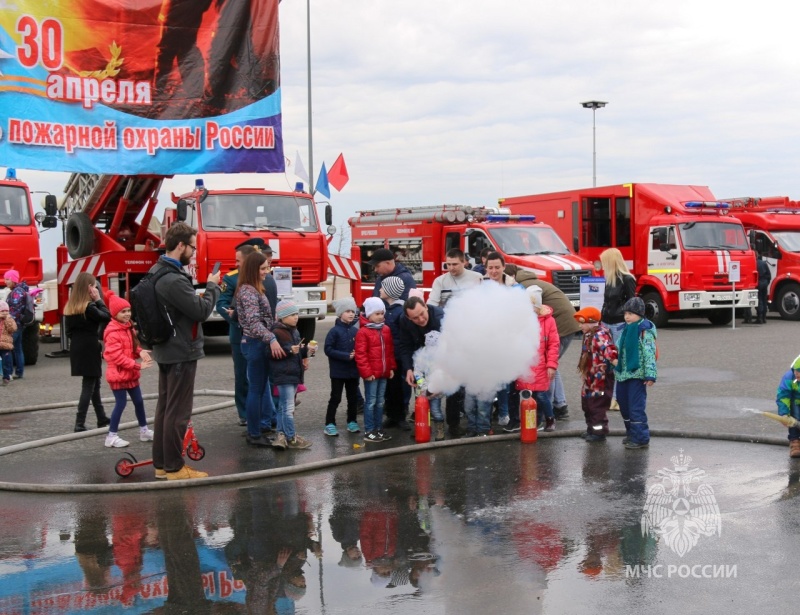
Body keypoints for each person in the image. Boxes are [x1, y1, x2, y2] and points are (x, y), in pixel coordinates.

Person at [149, 222, 220, 480]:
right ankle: (175, 468)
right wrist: (212, 287)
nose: (193, 251)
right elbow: (201, 312)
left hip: (166, 348)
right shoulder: (173, 279)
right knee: (178, 412)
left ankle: (162, 464)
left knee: (166, 408)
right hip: (180, 350)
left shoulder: (156, 270)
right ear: (180, 246)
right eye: (192, 246)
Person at [217, 238, 278, 427]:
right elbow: (222, 305)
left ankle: (266, 417)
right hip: (244, 336)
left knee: (263, 382)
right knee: (244, 379)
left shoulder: (266, 279)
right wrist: (237, 320)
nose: (235, 264)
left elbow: (270, 308)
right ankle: (248, 416)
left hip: (260, 337)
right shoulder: (233, 279)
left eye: (238, 260)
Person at [512, 266, 581, 420]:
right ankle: (559, 404)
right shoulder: (533, 282)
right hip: (568, 322)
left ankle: (554, 406)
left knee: (549, 366)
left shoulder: (525, 288)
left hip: (560, 325)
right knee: (550, 365)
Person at [395, 296, 464, 437]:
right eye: (415, 318)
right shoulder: (404, 321)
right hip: (421, 359)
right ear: (408, 318)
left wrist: (441, 378)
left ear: (426, 306)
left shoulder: (441, 318)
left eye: (422, 314)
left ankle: (454, 425)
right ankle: (422, 426)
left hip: (448, 357)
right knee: (422, 392)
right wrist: (409, 368)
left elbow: (454, 347)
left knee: (453, 391)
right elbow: (405, 346)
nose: (420, 319)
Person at [235, 250, 284, 448]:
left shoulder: (253, 288)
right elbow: (254, 324)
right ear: (254, 269)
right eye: (263, 268)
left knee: (260, 389)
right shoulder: (248, 291)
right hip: (255, 344)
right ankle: (254, 433)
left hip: (256, 343)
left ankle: (257, 430)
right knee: (256, 390)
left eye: (267, 267)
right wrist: (271, 337)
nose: (267, 271)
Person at [102, 293, 154, 448]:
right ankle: (111, 436)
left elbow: (131, 346)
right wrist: (137, 365)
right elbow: (116, 356)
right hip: (118, 374)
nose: (127, 314)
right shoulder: (112, 332)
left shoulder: (127, 327)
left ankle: (144, 431)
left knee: (139, 402)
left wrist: (140, 352)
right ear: (114, 314)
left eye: (128, 310)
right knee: (121, 403)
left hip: (129, 373)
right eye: (123, 311)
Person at [63, 272, 111, 432]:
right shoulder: (89, 306)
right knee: (89, 384)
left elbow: (68, 332)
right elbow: (106, 316)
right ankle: (79, 422)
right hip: (90, 346)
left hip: (77, 346)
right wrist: (98, 299)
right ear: (89, 287)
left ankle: (101, 417)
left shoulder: (70, 307)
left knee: (94, 383)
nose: (96, 287)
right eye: (94, 285)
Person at [512, 286, 560, 432]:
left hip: (540, 365)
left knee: (541, 396)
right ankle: (531, 422)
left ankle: (550, 419)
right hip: (524, 365)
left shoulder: (549, 321)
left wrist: (551, 365)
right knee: (527, 397)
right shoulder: (519, 320)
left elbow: (554, 344)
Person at [614, 297, 657, 450]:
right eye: (625, 313)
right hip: (622, 375)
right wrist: (613, 360)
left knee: (635, 407)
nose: (627, 317)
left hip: (637, 375)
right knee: (623, 404)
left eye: (630, 314)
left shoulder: (644, 331)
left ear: (640, 314)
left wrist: (650, 374)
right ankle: (631, 433)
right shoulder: (624, 330)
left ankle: (641, 438)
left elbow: (649, 353)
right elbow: (619, 350)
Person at [270, 300, 312, 450]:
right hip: (284, 374)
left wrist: (306, 351)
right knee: (288, 407)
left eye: (297, 314)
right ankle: (291, 437)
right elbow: (271, 354)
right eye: (292, 314)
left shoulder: (294, 331)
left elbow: (297, 351)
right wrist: (289, 351)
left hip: (293, 373)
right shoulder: (276, 332)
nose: (296, 317)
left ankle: (281, 435)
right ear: (282, 316)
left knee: (283, 407)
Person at [599, 248, 637, 410]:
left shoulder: (627, 279)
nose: (602, 265)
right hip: (606, 323)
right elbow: (606, 302)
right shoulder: (610, 278)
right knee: (607, 362)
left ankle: (617, 398)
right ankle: (610, 397)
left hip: (620, 324)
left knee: (618, 362)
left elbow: (632, 304)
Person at [573, 306, 618, 442]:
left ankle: (599, 433)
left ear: (591, 322)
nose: (580, 326)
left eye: (582, 323)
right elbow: (586, 356)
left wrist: (616, 362)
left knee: (596, 405)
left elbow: (609, 350)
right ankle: (591, 428)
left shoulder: (600, 334)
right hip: (590, 376)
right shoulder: (588, 335)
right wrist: (584, 371)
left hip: (601, 378)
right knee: (587, 403)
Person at [355, 297, 397, 443]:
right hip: (372, 375)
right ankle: (369, 430)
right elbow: (361, 355)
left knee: (380, 401)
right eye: (376, 313)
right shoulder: (363, 332)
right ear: (369, 314)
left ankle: (378, 429)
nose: (380, 316)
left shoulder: (386, 330)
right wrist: (366, 373)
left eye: (381, 313)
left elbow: (390, 351)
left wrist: (391, 367)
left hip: (383, 373)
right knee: (371, 401)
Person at [324, 297, 361, 436]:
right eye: (347, 311)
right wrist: (345, 356)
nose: (351, 314)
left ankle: (352, 421)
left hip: (353, 372)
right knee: (336, 398)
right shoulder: (334, 331)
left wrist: (358, 353)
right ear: (340, 314)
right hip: (338, 372)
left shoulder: (355, 331)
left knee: (352, 398)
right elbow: (328, 349)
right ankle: (329, 423)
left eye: (353, 311)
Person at [380, 276, 412, 431]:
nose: (379, 289)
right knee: (390, 387)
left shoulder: (399, 311)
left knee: (399, 387)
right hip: (389, 356)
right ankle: (392, 415)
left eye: (383, 287)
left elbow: (403, 336)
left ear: (390, 291)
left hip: (398, 355)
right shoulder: (387, 310)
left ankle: (399, 416)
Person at [3, 269, 29, 380]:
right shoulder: (19, 290)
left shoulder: (17, 292)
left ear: (13, 279)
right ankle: (19, 372)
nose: (5, 281)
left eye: (7, 279)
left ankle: (8, 373)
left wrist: (5, 321)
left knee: (6, 348)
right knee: (18, 348)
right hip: (19, 324)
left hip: (14, 325)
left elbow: (13, 311)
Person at [776, 354, 800, 458]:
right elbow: (783, 396)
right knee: (794, 418)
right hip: (795, 401)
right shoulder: (788, 377)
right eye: (796, 370)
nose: (797, 374)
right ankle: (795, 443)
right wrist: (784, 414)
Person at [0, 301, 16, 385]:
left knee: (6, 362)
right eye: (2, 311)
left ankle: (6, 377)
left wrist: (7, 320)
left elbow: (13, 329)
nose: (4, 313)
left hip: (6, 345)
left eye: (6, 311)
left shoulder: (9, 319)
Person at [755, 255, 772, 324]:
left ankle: (760, 317)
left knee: (759, 300)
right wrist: (767, 282)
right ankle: (764, 317)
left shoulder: (754, 263)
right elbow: (769, 275)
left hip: (758, 282)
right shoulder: (764, 263)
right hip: (765, 282)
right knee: (764, 299)